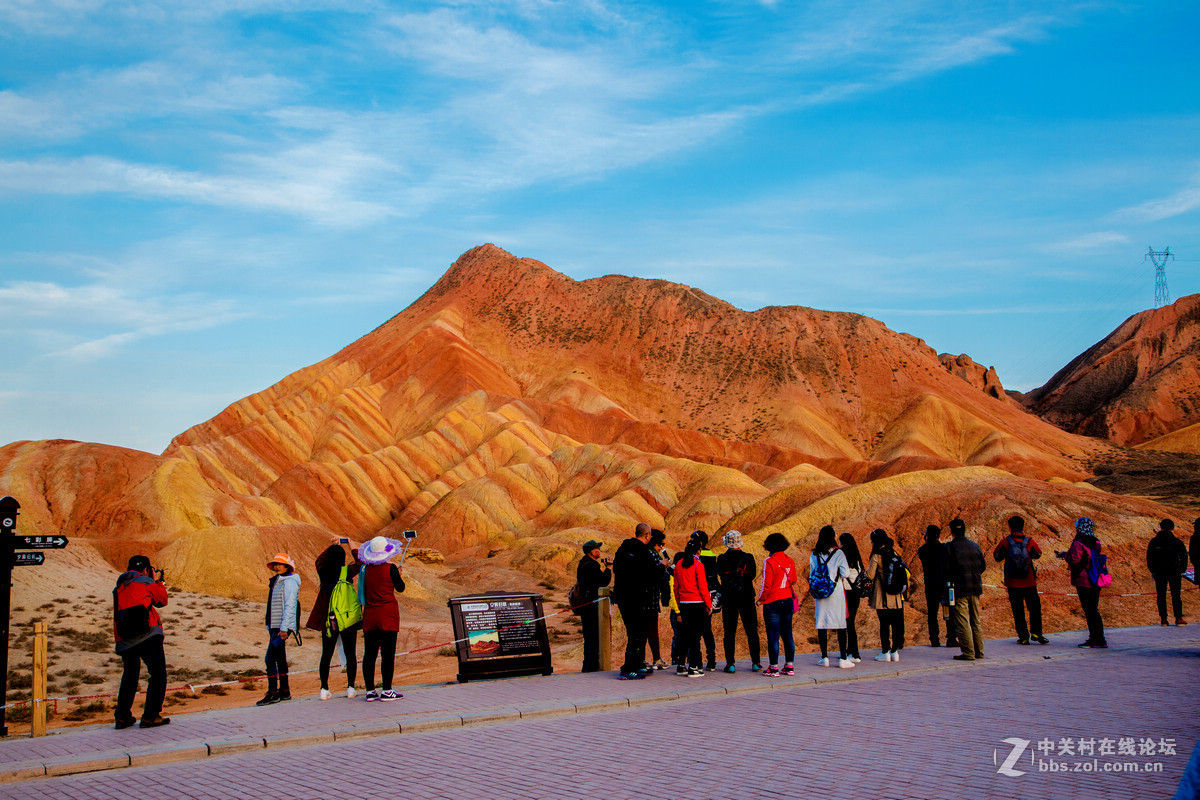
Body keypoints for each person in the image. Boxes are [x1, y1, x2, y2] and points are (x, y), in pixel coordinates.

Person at [112, 555, 170, 729]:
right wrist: (159, 582)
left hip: (124, 638)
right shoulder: (146, 581)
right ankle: (150, 716)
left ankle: (122, 717)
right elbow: (161, 600)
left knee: (130, 676)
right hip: (147, 634)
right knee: (158, 674)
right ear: (146, 569)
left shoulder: (119, 586)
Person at [306, 537, 362, 700]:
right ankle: (351, 687)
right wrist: (352, 547)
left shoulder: (323, 572)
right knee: (350, 653)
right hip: (347, 619)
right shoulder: (346, 572)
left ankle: (324, 688)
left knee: (327, 654)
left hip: (330, 620)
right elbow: (360, 563)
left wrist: (331, 546)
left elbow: (318, 560)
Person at [358, 536, 406, 700]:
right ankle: (387, 690)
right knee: (387, 654)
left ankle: (370, 691)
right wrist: (398, 575)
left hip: (370, 616)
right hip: (388, 616)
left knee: (369, 654)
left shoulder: (365, 569)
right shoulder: (390, 568)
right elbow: (400, 588)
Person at [612, 523, 658, 680]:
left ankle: (638, 665)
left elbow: (616, 570)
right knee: (636, 633)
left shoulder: (622, 549)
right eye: (650, 535)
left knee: (638, 632)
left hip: (623, 597)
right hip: (637, 597)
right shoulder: (644, 551)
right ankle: (628, 669)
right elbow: (650, 573)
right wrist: (662, 567)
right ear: (647, 535)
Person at [993, 516, 1047, 645]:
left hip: (1012, 582)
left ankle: (1023, 636)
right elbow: (1038, 555)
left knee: (1017, 609)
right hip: (1029, 581)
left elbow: (997, 557)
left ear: (1010, 527)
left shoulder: (1005, 542)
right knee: (1034, 607)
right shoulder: (1030, 541)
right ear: (1023, 526)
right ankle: (1037, 633)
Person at [257, 553, 301, 706]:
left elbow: (290, 606)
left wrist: (284, 628)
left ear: (287, 566)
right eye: (275, 564)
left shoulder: (289, 582)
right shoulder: (279, 581)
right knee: (280, 658)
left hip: (280, 628)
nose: (276, 567)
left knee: (270, 659)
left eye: (279, 564)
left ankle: (273, 693)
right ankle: (284, 691)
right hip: (275, 626)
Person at [716, 529, 761, 672]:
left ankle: (730, 664)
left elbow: (721, 575)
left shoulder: (721, 558)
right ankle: (755, 662)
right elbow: (752, 575)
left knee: (729, 631)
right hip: (746, 597)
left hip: (729, 598)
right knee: (752, 631)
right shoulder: (749, 557)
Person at [1058, 517, 1106, 648]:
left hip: (1084, 579)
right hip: (1096, 578)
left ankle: (1095, 639)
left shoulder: (1079, 542)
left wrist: (1065, 555)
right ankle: (1099, 638)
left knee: (1089, 611)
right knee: (1094, 610)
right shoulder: (1095, 541)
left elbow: (1075, 559)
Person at [811, 525, 854, 669]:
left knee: (822, 623)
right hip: (836, 592)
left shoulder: (814, 554)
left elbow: (812, 574)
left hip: (820, 593)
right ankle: (843, 657)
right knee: (841, 624)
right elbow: (846, 573)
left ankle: (824, 657)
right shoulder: (838, 554)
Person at [757, 532, 799, 676]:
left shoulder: (769, 561)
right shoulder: (789, 560)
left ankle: (773, 667)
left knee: (773, 636)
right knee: (788, 634)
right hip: (787, 599)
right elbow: (793, 580)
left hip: (773, 601)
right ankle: (789, 665)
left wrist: (761, 599)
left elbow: (766, 585)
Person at [672, 538, 714, 677]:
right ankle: (694, 667)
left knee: (684, 635)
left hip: (684, 604)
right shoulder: (698, 565)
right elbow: (703, 587)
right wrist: (709, 604)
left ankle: (681, 665)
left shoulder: (678, 564)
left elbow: (676, 587)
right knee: (695, 636)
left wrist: (679, 603)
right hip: (697, 604)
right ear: (698, 550)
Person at [946, 518, 986, 662]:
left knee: (963, 622)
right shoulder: (974, 546)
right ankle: (979, 651)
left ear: (952, 532)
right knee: (975, 620)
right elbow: (982, 566)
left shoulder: (950, 547)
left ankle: (968, 653)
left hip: (960, 589)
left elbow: (946, 569)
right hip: (975, 588)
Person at [867, 529, 906, 662]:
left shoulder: (877, 555)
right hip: (895, 595)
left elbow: (870, 575)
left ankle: (885, 651)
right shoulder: (894, 552)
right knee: (895, 623)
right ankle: (895, 651)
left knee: (884, 624)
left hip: (881, 594)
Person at [916, 525, 956, 647]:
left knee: (932, 614)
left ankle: (934, 639)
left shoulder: (922, 550)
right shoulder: (944, 548)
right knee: (949, 612)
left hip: (930, 585)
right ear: (938, 536)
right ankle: (951, 638)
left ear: (926, 536)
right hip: (944, 584)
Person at [576, 539, 612, 672]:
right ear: (592, 551)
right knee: (594, 637)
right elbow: (603, 582)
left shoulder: (583, 563)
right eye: (597, 549)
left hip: (586, 605)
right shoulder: (592, 566)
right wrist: (608, 568)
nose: (600, 551)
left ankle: (588, 666)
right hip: (592, 607)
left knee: (589, 637)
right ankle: (592, 666)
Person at [1147, 519, 1189, 626]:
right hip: (1174, 571)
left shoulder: (1154, 541)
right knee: (1176, 595)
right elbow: (1184, 556)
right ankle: (1178, 618)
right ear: (1172, 528)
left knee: (1161, 595)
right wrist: (1181, 569)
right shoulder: (1176, 541)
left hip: (1159, 572)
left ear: (1160, 527)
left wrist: (1153, 570)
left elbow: (1149, 557)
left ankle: (1164, 619)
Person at [692, 531, 720, 670]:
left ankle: (696, 661)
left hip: (697, 596)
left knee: (695, 631)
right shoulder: (712, 555)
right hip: (709, 595)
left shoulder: (695, 558)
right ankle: (711, 661)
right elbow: (714, 577)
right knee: (707, 630)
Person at [646, 530, 671, 669]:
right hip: (651, 598)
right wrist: (664, 567)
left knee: (644, 631)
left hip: (645, 598)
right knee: (652, 630)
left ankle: (644, 659)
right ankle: (656, 658)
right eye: (660, 544)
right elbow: (659, 576)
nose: (661, 547)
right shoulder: (653, 556)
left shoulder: (645, 554)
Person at [839, 532, 865, 662]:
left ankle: (853, 653)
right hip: (857, 592)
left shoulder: (842, 556)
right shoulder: (857, 555)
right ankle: (852, 651)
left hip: (847, 592)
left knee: (847, 622)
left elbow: (843, 574)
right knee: (851, 621)